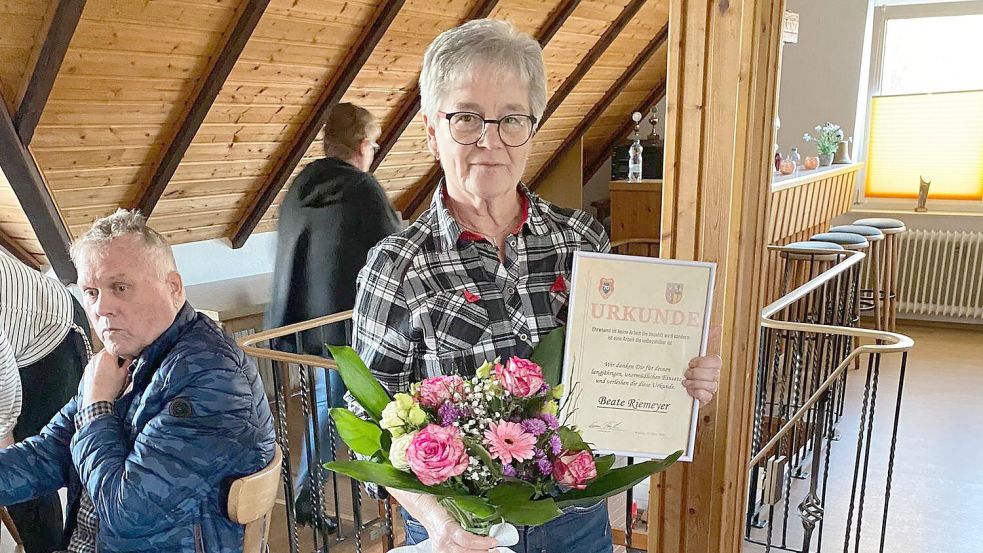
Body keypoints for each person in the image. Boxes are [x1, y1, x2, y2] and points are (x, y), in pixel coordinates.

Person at [352, 20, 723, 553]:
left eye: (511, 120)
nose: (490, 140)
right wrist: (439, 524)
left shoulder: (582, 240)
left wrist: (680, 377)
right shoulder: (397, 267)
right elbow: (368, 421)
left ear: (532, 127)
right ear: (433, 132)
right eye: (466, 118)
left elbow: (621, 367)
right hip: (462, 532)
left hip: (576, 521)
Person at [0, 209, 276, 551]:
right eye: (91, 292)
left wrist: (97, 408)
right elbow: (49, 452)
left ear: (173, 288)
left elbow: (127, 514)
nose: (102, 308)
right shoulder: (123, 359)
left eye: (120, 287)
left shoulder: (213, 377)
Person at [266, 102, 402, 530]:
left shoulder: (301, 185)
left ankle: (307, 490)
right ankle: (378, 491)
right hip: (351, 329)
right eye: (374, 145)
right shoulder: (362, 188)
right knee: (374, 408)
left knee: (326, 409)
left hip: (306, 325)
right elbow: (393, 252)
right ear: (363, 145)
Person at [0, 254, 90, 553]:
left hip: (50, 334)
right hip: (14, 327)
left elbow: (3, 383)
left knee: (27, 463)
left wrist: (4, 435)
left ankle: (50, 546)